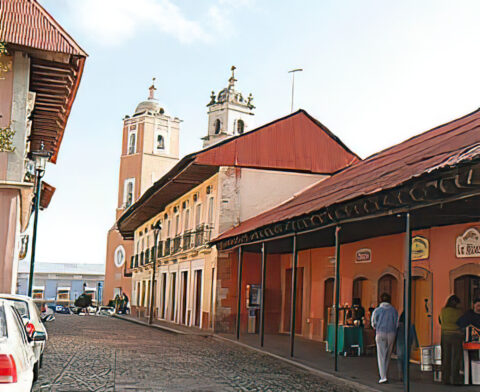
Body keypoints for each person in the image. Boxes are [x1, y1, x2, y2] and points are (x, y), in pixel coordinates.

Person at [371, 293, 398, 384]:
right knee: (388, 355)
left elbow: (373, 323)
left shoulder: (377, 310)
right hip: (391, 333)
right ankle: (385, 373)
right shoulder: (394, 310)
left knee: (381, 355)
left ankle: (383, 376)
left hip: (380, 333)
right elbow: (396, 323)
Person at [439, 294, 463, 385]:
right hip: (456, 335)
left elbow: (440, 320)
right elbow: (462, 322)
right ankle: (455, 379)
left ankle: (445, 378)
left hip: (445, 335)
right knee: (456, 358)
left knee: (445, 357)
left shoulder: (443, 311)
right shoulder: (459, 312)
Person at [396, 311, 419, 381]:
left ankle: (400, 374)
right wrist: (415, 344)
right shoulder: (410, 325)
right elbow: (413, 335)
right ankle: (405, 374)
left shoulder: (398, 326)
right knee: (406, 359)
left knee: (400, 359)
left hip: (399, 344)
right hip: (408, 344)